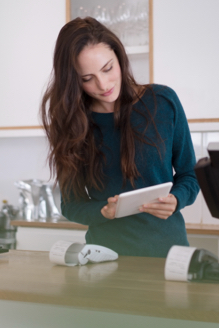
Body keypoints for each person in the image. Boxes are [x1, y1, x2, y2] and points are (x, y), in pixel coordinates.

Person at [40, 17, 200, 258]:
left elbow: (190, 174)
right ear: (73, 81)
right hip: (104, 258)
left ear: (120, 58)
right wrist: (104, 211)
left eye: (107, 69)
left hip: (168, 256)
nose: (103, 84)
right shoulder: (72, 124)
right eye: (87, 79)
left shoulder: (163, 102)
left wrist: (177, 199)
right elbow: (71, 205)